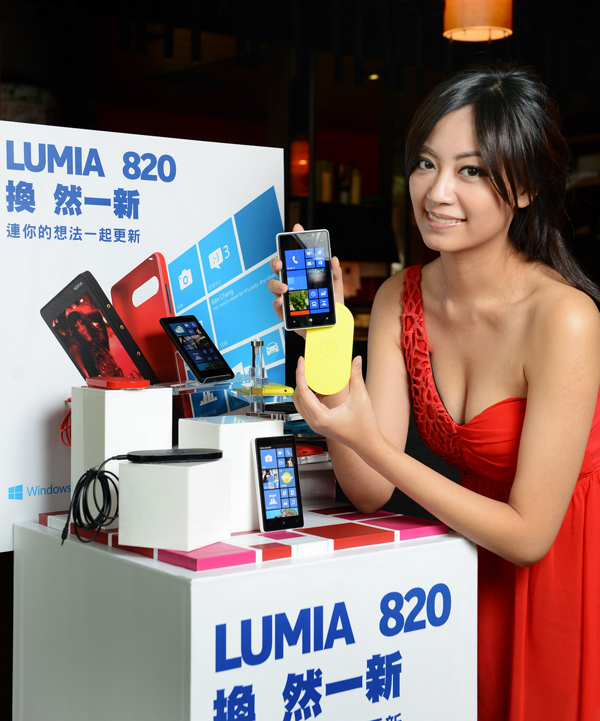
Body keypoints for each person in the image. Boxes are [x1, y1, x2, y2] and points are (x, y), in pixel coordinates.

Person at [268, 63, 600, 721]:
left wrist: (370, 442)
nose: (437, 191)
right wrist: (327, 340)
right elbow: (368, 487)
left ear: (525, 188)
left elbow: (530, 535)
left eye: (470, 170)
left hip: (563, 572)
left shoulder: (564, 317)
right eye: (425, 163)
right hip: (461, 567)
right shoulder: (403, 296)